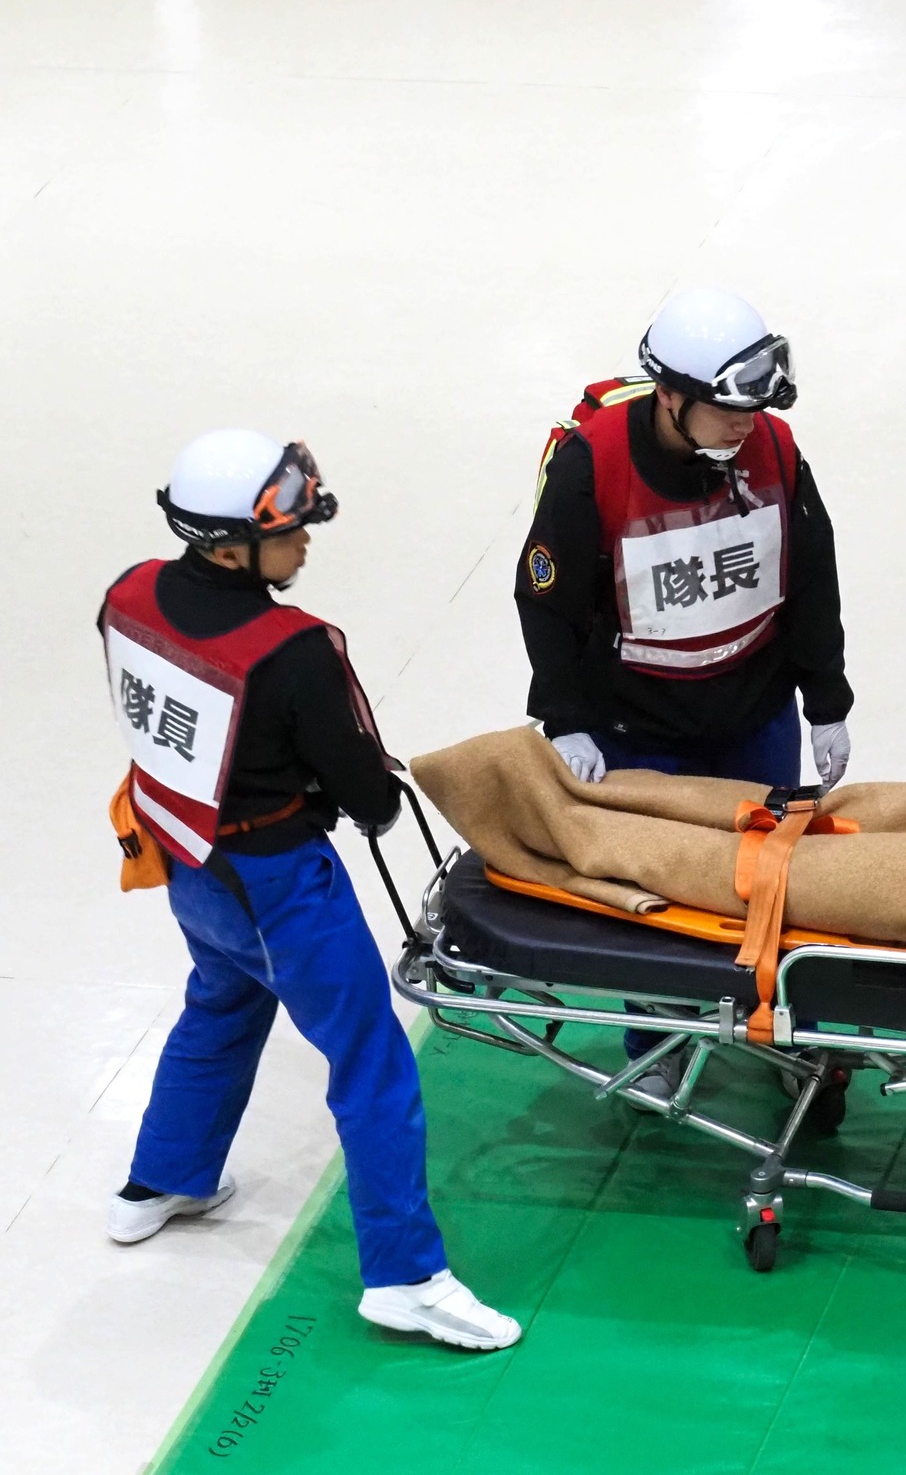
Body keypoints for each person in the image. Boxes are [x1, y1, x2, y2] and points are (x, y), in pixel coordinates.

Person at [101, 430, 519, 1351]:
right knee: (371, 1062)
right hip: (282, 886)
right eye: (287, 529)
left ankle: (161, 1179)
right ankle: (405, 1278)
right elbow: (370, 795)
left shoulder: (127, 595)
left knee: (222, 997)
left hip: (184, 861)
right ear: (228, 548)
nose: (305, 539)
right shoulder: (294, 650)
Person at [515, 286, 853, 1094]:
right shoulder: (593, 465)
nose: (745, 425)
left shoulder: (773, 448)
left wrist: (826, 703)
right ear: (670, 396)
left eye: (754, 408)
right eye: (726, 409)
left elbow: (811, 575)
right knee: (655, 902)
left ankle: (784, 1032)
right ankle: (657, 1046)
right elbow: (546, 602)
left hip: (754, 717)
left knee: (773, 883)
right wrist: (565, 720)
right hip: (639, 732)